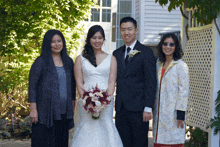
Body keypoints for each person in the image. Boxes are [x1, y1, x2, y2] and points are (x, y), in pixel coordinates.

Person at [71, 25, 123, 147]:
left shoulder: (111, 58)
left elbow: (111, 82)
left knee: (106, 128)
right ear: (89, 39)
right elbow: (79, 82)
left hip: (106, 103)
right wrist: (87, 100)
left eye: (100, 38)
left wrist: (105, 101)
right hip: (85, 103)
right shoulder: (80, 59)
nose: (97, 41)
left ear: (104, 40)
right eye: (94, 38)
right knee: (87, 129)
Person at [113, 16, 157, 147]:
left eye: (129, 29)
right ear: (120, 31)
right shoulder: (116, 54)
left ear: (136, 30)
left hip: (139, 109)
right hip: (121, 110)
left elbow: (151, 82)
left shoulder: (146, 52)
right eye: (123, 29)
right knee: (122, 143)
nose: (126, 32)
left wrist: (148, 108)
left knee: (139, 143)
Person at [29, 29, 76, 147]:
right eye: (53, 41)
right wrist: (33, 110)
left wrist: (73, 108)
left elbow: (72, 87)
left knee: (61, 143)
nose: (57, 44)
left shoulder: (69, 62)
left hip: (63, 113)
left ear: (63, 42)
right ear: (47, 44)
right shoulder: (41, 62)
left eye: (59, 41)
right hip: (44, 113)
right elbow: (32, 87)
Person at [153, 33, 189, 147]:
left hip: (173, 113)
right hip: (159, 112)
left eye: (171, 44)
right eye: (165, 44)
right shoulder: (158, 64)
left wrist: (180, 114)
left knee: (173, 141)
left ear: (176, 47)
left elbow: (184, 91)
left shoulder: (181, 66)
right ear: (161, 45)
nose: (168, 47)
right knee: (159, 141)